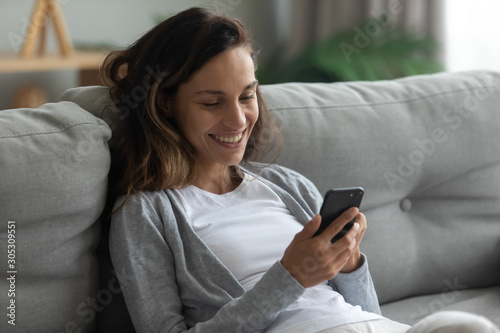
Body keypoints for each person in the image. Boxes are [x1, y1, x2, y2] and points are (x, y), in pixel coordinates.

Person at [102, 7, 500, 333]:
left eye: (247, 96)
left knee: (467, 327)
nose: (238, 120)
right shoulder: (145, 212)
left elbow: (365, 311)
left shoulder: (286, 186)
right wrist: (289, 276)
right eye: (212, 103)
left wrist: (349, 262)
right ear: (165, 103)